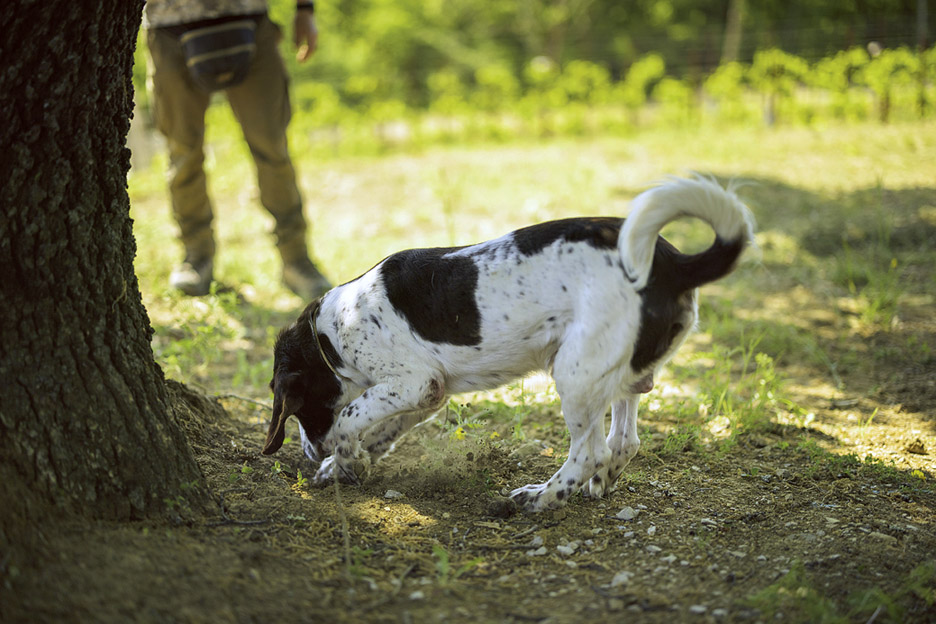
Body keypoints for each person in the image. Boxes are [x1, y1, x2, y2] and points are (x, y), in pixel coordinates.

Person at [144, 0, 331, 298]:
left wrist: (304, 9)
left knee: (273, 151)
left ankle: (296, 259)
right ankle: (196, 258)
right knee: (183, 154)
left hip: (250, 20)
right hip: (167, 26)